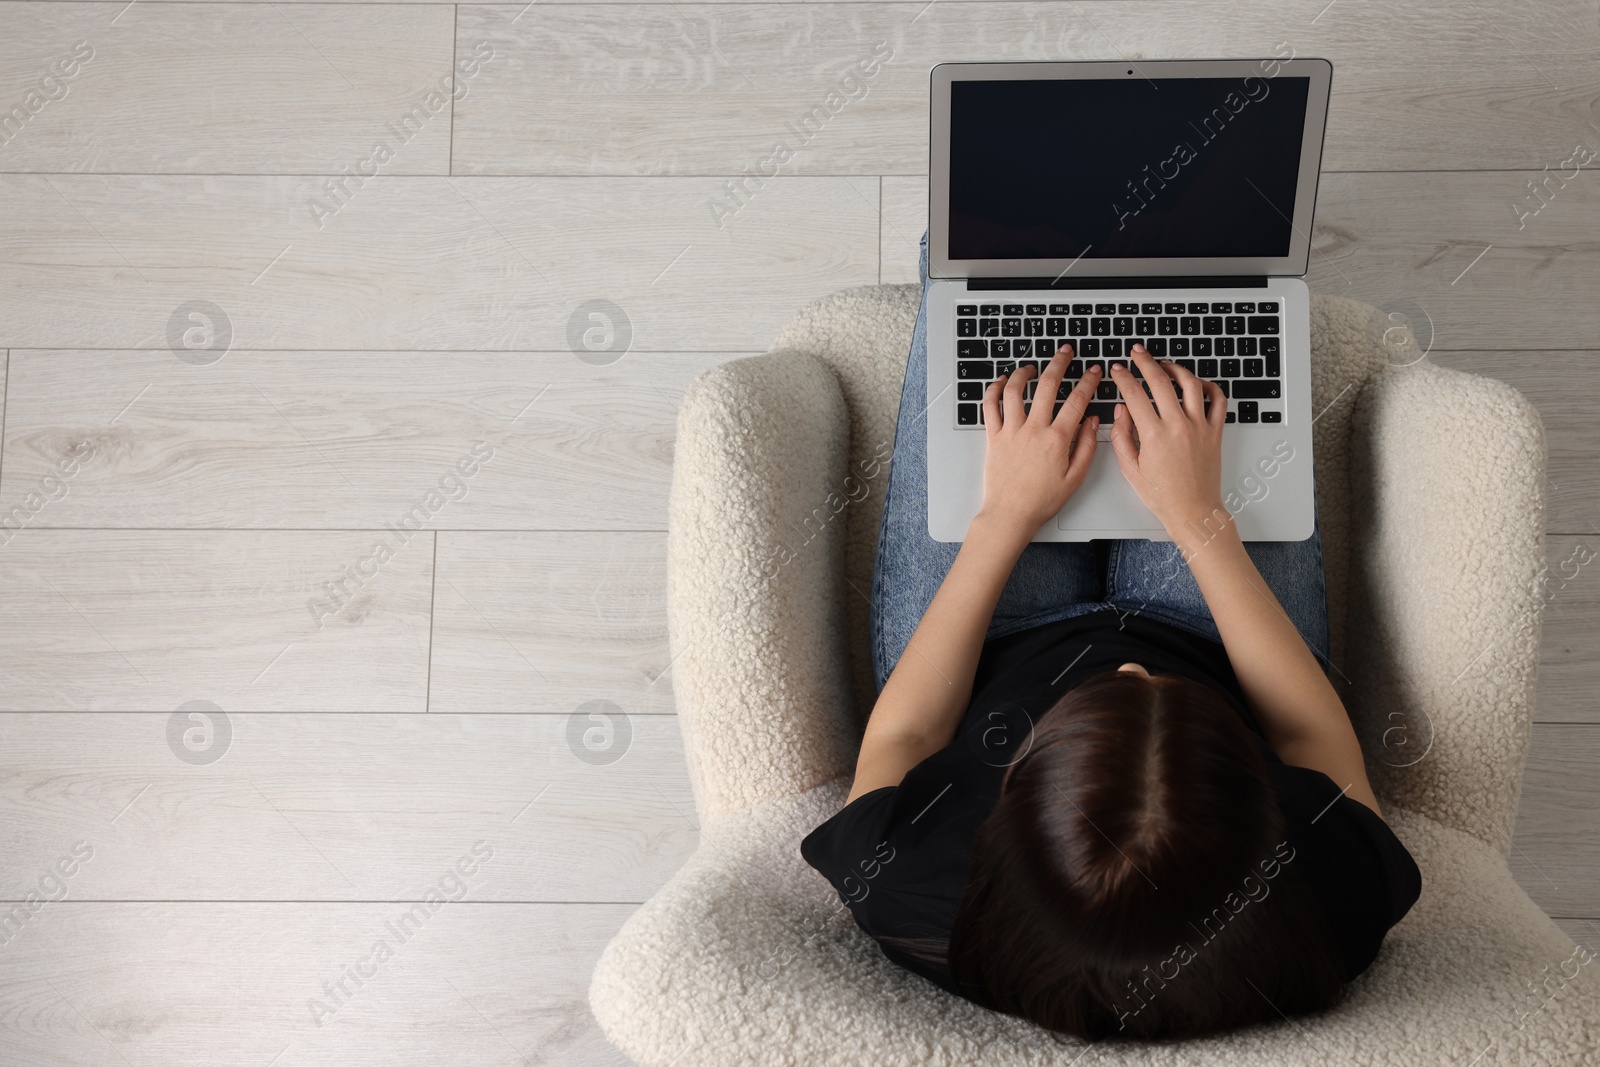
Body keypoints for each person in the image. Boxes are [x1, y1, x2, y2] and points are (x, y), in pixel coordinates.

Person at [800, 232, 1421, 1042]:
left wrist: (1003, 516)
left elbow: (909, 732)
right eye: (1151, 689)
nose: (1128, 662)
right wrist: (1198, 518)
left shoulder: (912, 888)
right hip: (1217, 638)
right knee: (1218, 293)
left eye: (1109, 693)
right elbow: (1308, 730)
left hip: (995, 645)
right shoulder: (1328, 904)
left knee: (984, 265)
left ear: (1007, 809)